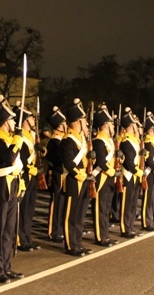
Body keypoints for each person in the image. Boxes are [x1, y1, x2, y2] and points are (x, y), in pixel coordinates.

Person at [0, 95, 25, 283]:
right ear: (4, 123)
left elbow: (17, 164)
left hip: (13, 187)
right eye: (11, 120)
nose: (14, 123)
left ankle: (7, 266)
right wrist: (17, 141)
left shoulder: (9, 139)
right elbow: (9, 158)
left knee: (9, 230)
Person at [60, 98, 95, 256]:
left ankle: (78, 242)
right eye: (83, 122)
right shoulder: (68, 140)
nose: (86, 125)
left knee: (80, 214)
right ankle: (70, 245)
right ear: (77, 122)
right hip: (74, 180)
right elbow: (68, 162)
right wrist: (82, 175)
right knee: (71, 214)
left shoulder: (82, 140)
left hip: (84, 180)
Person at [13, 101, 41, 252]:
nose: (34, 120)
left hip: (33, 177)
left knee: (30, 209)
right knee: (22, 210)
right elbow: (21, 158)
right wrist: (32, 169)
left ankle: (27, 238)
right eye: (31, 118)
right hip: (24, 176)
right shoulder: (19, 136)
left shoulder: (32, 136)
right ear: (24, 121)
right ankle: (19, 239)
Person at [91, 104, 120, 246]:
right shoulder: (98, 141)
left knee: (106, 208)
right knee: (100, 208)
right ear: (105, 126)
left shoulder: (109, 141)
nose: (113, 127)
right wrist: (112, 172)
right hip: (101, 177)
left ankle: (105, 235)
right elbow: (101, 161)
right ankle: (100, 236)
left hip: (109, 177)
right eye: (111, 125)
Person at [118, 107, 145, 238]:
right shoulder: (126, 141)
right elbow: (128, 161)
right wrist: (138, 171)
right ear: (129, 127)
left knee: (133, 204)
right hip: (129, 175)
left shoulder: (135, 141)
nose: (136, 127)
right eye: (134, 124)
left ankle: (131, 226)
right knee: (127, 204)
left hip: (135, 176)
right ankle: (125, 228)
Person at [45, 107, 66, 243]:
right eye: (63, 123)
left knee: (62, 203)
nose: (66, 125)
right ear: (58, 127)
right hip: (57, 174)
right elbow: (56, 159)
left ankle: (61, 228)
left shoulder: (61, 141)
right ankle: (53, 231)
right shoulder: (54, 141)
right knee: (56, 204)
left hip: (63, 174)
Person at [141, 111, 154, 230]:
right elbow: (149, 161)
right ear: (151, 130)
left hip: (153, 172)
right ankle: (146, 222)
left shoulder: (153, 142)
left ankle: (150, 221)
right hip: (149, 173)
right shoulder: (148, 143)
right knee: (148, 199)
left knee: (151, 198)